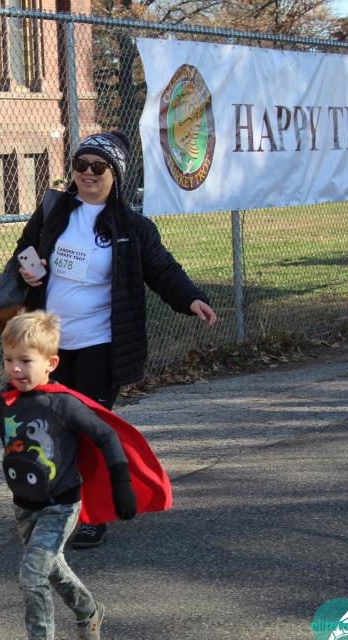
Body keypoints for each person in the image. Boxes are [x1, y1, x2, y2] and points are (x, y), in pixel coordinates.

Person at [12, 130, 216, 548]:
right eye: (80, 165)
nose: (87, 173)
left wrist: (191, 298)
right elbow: (23, 251)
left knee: (87, 432)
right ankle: (55, 505)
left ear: (116, 174)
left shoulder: (132, 227)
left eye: (98, 167)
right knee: (49, 429)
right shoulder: (53, 211)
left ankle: (92, 514)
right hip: (49, 346)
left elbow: (162, 269)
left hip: (100, 345)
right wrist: (28, 271)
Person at [0, 311, 150, 640]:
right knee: (52, 569)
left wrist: (121, 484)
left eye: (25, 361)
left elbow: (106, 435)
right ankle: (89, 611)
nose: (15, 368)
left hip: (61, 505)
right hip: (24, 505)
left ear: (50, 363)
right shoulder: (2, 402)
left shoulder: (63, 403)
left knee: (32, 572)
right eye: (8, 359)